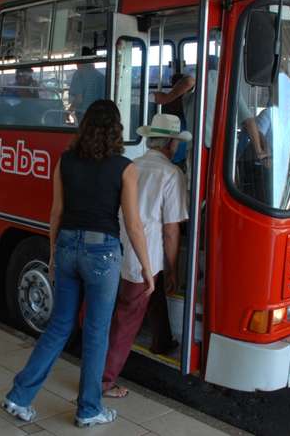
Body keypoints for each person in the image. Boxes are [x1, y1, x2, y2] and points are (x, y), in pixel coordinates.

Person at [1, 100, 155, 428]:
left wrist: (55, 254)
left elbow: (56, 213)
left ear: (84, 127)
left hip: (68, 246)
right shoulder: (125, 168)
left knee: (58, 327)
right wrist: (145, 266)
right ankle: (88, 409)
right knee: (96, 332)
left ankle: (19, 396)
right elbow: (133, 224)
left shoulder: (65, 162)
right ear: (116, 130)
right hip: (102, 254)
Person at [102, 113, 190, 398]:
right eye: (177, 142)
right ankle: (104, 380)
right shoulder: (171, 174)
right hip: (145, 257)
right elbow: (171, 231)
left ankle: (162, 340)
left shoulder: (131, 165)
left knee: (148, 297)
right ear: (171, 144)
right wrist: (174, 269)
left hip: (116, 249)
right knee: (127, 319)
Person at [68, 47, 106, 119]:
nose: (76, 64)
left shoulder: (78, 74)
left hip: (83, 116)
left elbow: (79, 99)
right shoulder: (101, 77)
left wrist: (68, 112)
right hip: (99, 116)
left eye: (76, 60)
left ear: (80, 60)